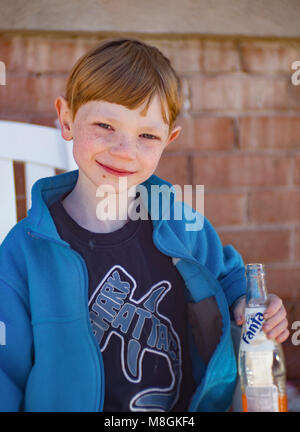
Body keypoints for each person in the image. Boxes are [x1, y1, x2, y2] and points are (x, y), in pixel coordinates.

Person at [0, 38, 289, 412]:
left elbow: (228, 278)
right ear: (67, 118)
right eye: (105, 125)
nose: (125, 150)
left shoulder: (181, 226)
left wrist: (250, 305)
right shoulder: (25, 251)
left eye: (147, 135)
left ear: (169, 139)